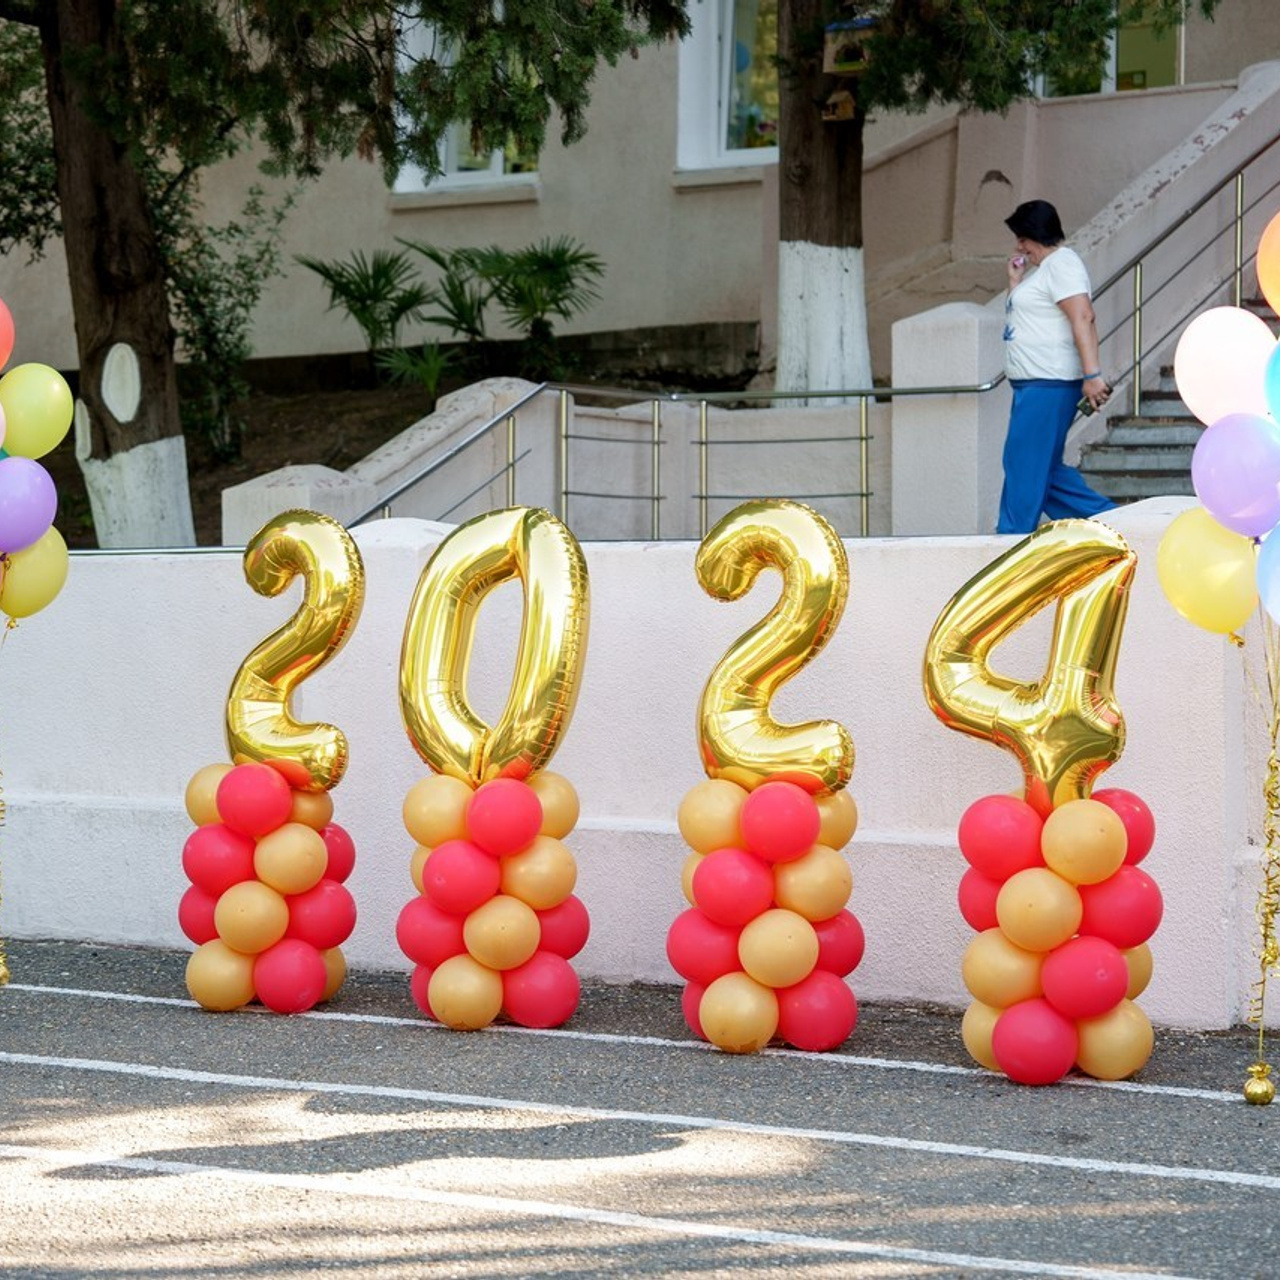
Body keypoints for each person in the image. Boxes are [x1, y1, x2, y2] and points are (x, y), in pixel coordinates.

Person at [998, 199, 1116, 534]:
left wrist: (1092, 375)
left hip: (1047, 384)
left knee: (1023, 464)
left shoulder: (1063, 264)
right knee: (1046, 473)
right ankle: (1116, 522)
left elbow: (1082, 315)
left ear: (1035, 234)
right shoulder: (1045, 271)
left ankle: (1010, 538)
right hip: (1034, 384)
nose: (1019, 246)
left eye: (1022, 238)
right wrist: (1015, 283)